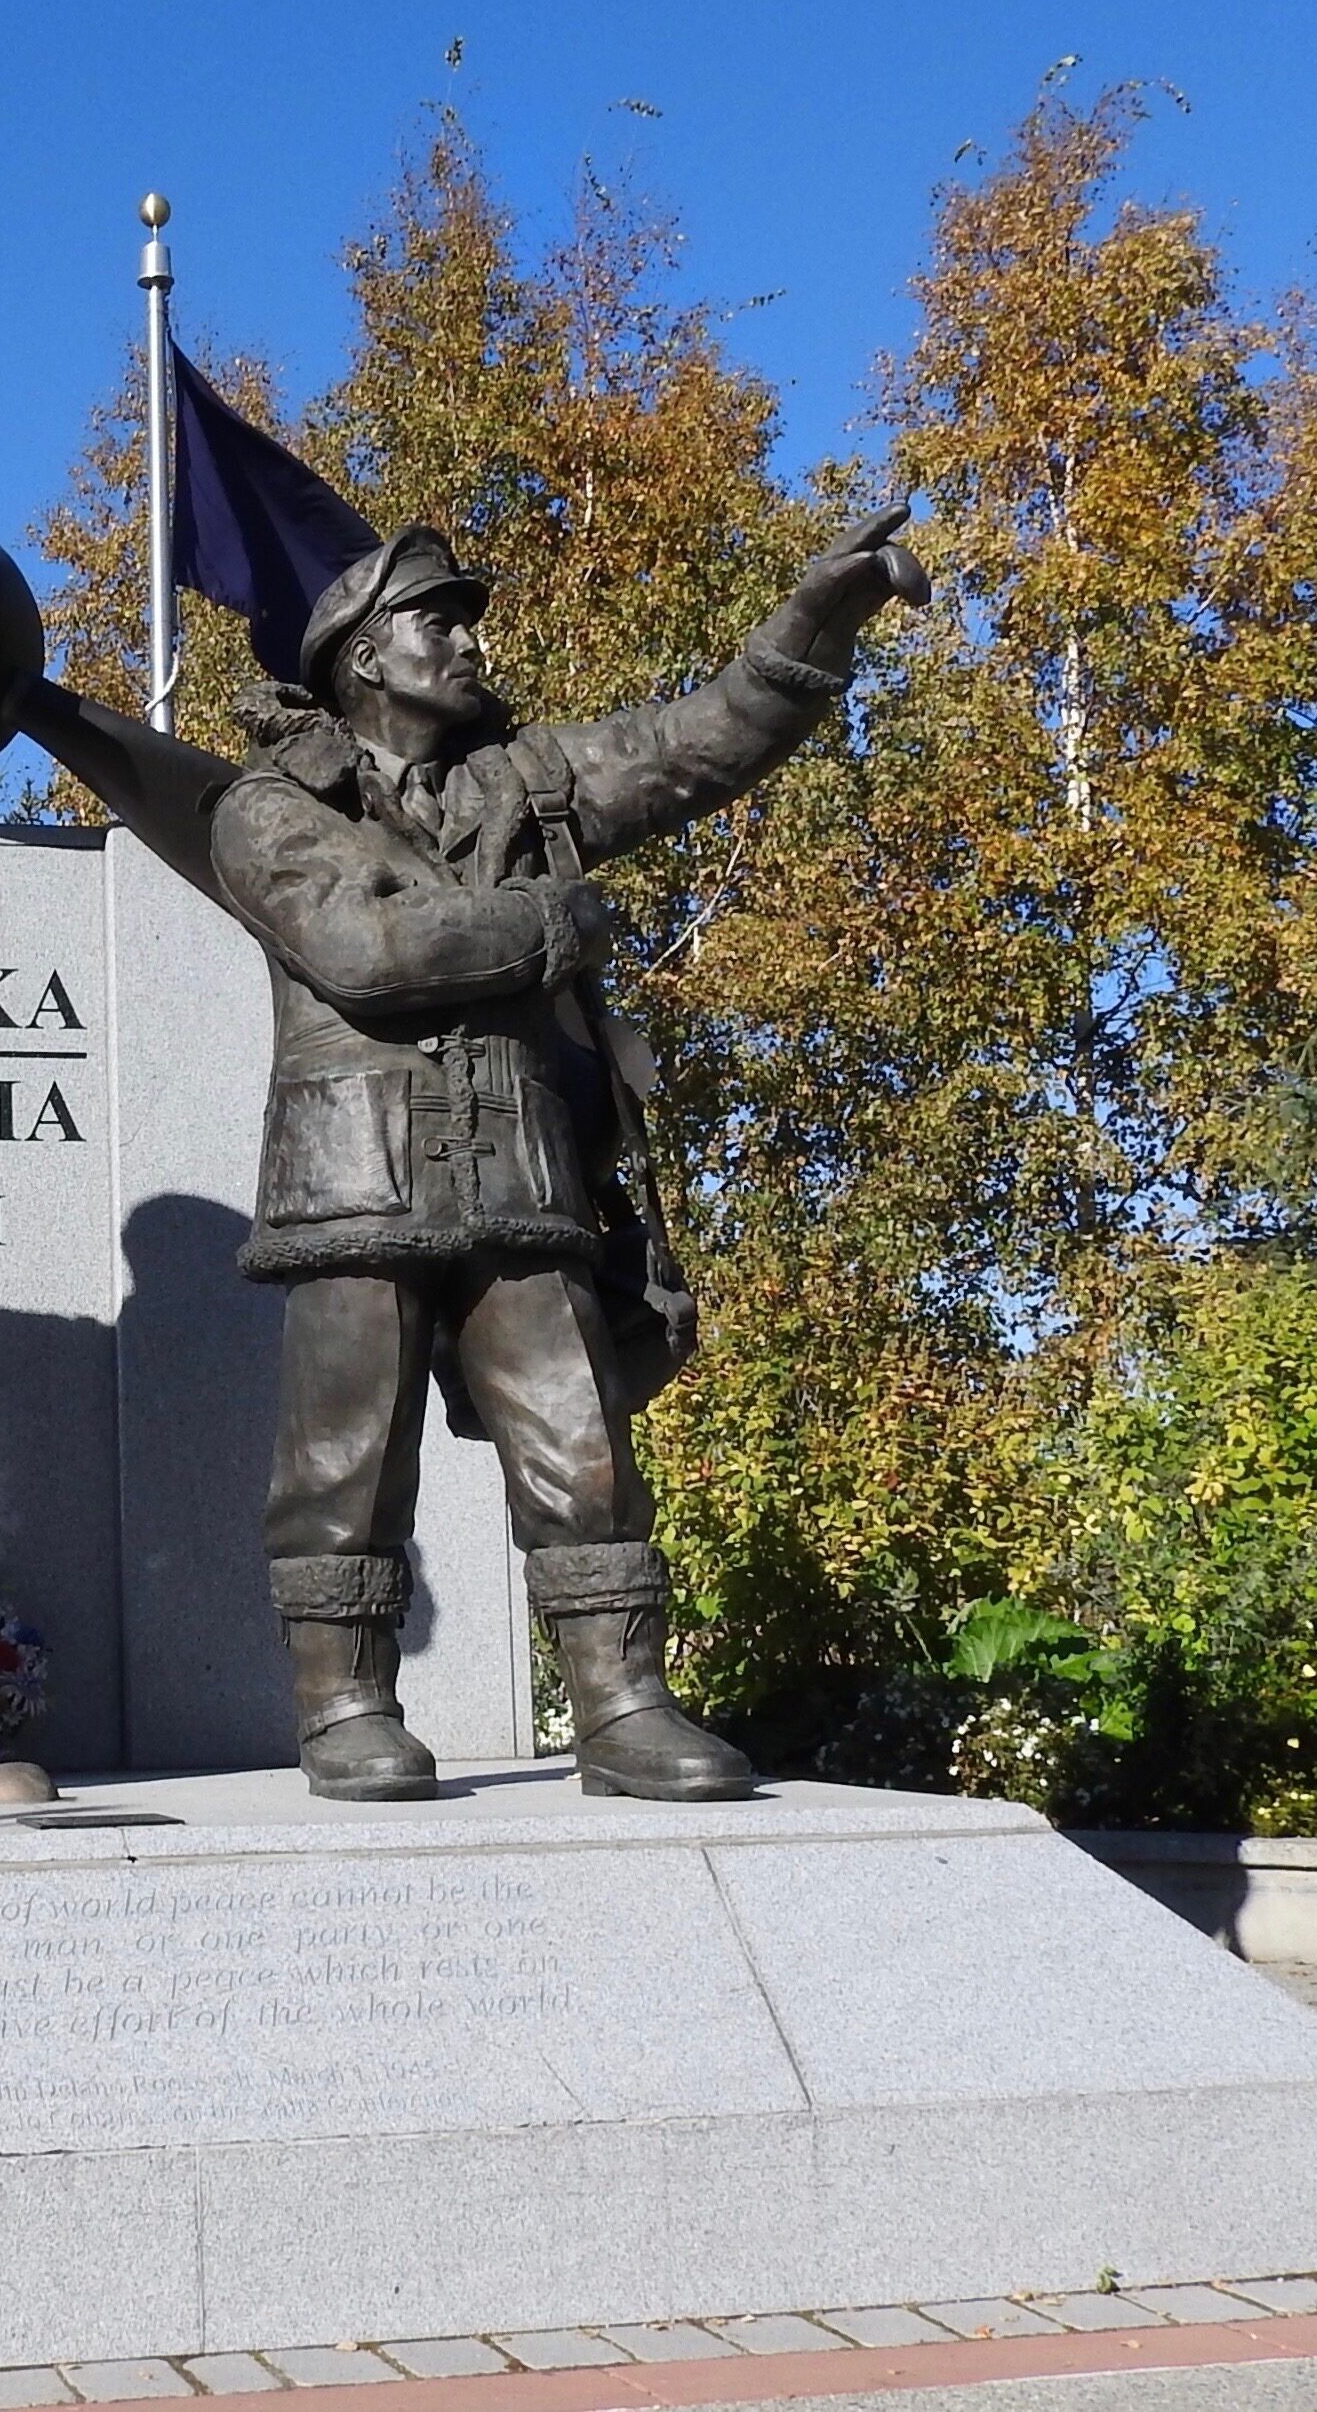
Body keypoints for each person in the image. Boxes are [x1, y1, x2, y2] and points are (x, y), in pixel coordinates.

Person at [202, 508, 921, 1801]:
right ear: (367, 655)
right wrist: (552, 920)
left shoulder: (528, 781)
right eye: (441, 617)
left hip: (520, 1172)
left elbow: (701, 741)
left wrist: (819, 614)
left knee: (580, 1442)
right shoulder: (269, 806)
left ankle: (623, 1702)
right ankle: (346, 1705)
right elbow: (363, 954)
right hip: (354, 1178)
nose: (470, 637)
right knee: (342, 1460)